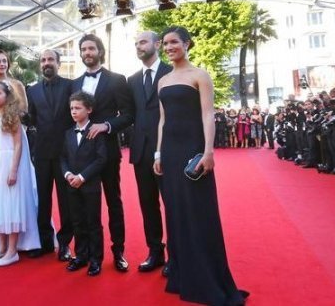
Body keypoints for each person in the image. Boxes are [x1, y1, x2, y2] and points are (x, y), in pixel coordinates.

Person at [153, 26, 248, 306]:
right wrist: (158, 154)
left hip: (192, 150)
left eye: (174, 42)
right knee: (176, 214)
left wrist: (208, 152)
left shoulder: (200, 75)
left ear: (187, 44)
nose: (169, 47)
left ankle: (207, 279)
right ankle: (183, 275)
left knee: (198, 213)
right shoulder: (163, 81)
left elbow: (208, 115)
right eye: (165, 43)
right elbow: (162, 120)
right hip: (169, 153)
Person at [72, 34, 134, 272]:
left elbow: (128, 115)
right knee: (84, 205)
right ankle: (85, 253)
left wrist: (106, 125)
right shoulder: (74, 83)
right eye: (83, 49)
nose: (87, 52)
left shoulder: (117, 80)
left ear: (100, 51)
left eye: (91, 48)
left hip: (107, 151)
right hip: (81, 155)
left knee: (113, 202)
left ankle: (118, 252)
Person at [0, 81, 40, 267]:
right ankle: (1, 247)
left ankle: (12, 250)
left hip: (8, 163)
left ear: (7, 96)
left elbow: (17, 144)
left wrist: (13, 169)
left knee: (10, 204)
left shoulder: (12, 117)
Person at [127, 31, 171, 273]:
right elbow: (128, 115)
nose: (138, 46)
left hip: (169, 151)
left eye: (142, 42)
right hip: (141, 153)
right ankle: (156, 252)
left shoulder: (171, 72)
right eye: (136, 44)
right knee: (148, 205)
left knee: (172, 204)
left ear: (157, 44)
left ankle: (176, 256)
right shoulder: (132, 80)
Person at [25, 49, 74, 260]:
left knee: (66, 201)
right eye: (43, 60)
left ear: (58, 63)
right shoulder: (32, 90)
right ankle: (45, 242)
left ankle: (65, 244)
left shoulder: (71, 86)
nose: (47, 63)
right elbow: (32, 119)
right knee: (43, 200)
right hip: (42, 152)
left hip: (66, 153)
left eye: (50, 59)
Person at [62, 91, 107, 277]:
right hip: (71, 185)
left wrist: (82, 176)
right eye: (71, 108)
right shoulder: (67, 133)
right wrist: (68, 174)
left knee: (93, 222)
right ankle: (81, 255)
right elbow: (62, 157)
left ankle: (96, 259)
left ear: (89, 109)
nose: (74, 111)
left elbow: (101, 159)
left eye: (78, 108)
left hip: (90, 186)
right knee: (77, 221)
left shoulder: (96, 132)